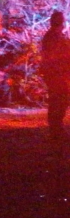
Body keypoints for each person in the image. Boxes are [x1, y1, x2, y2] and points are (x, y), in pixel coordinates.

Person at [40, 10, 70, 141]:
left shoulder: (55, 36)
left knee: (59, 101)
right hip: (57, 74)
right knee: (58, 101)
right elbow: (55, 56)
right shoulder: (53, 37)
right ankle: (56, 130)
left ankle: (57, 129)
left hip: (58, 74)